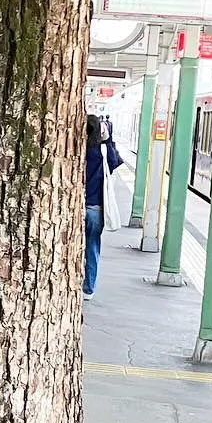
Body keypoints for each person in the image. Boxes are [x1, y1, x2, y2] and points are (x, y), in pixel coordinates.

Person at [84, 112, 122, 297]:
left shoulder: (77, 150)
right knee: (92, 248)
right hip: (95, 208)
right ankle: (88, 289)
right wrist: (108, 141)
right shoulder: (103, 152)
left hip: (76, 208)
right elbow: (115, 163)